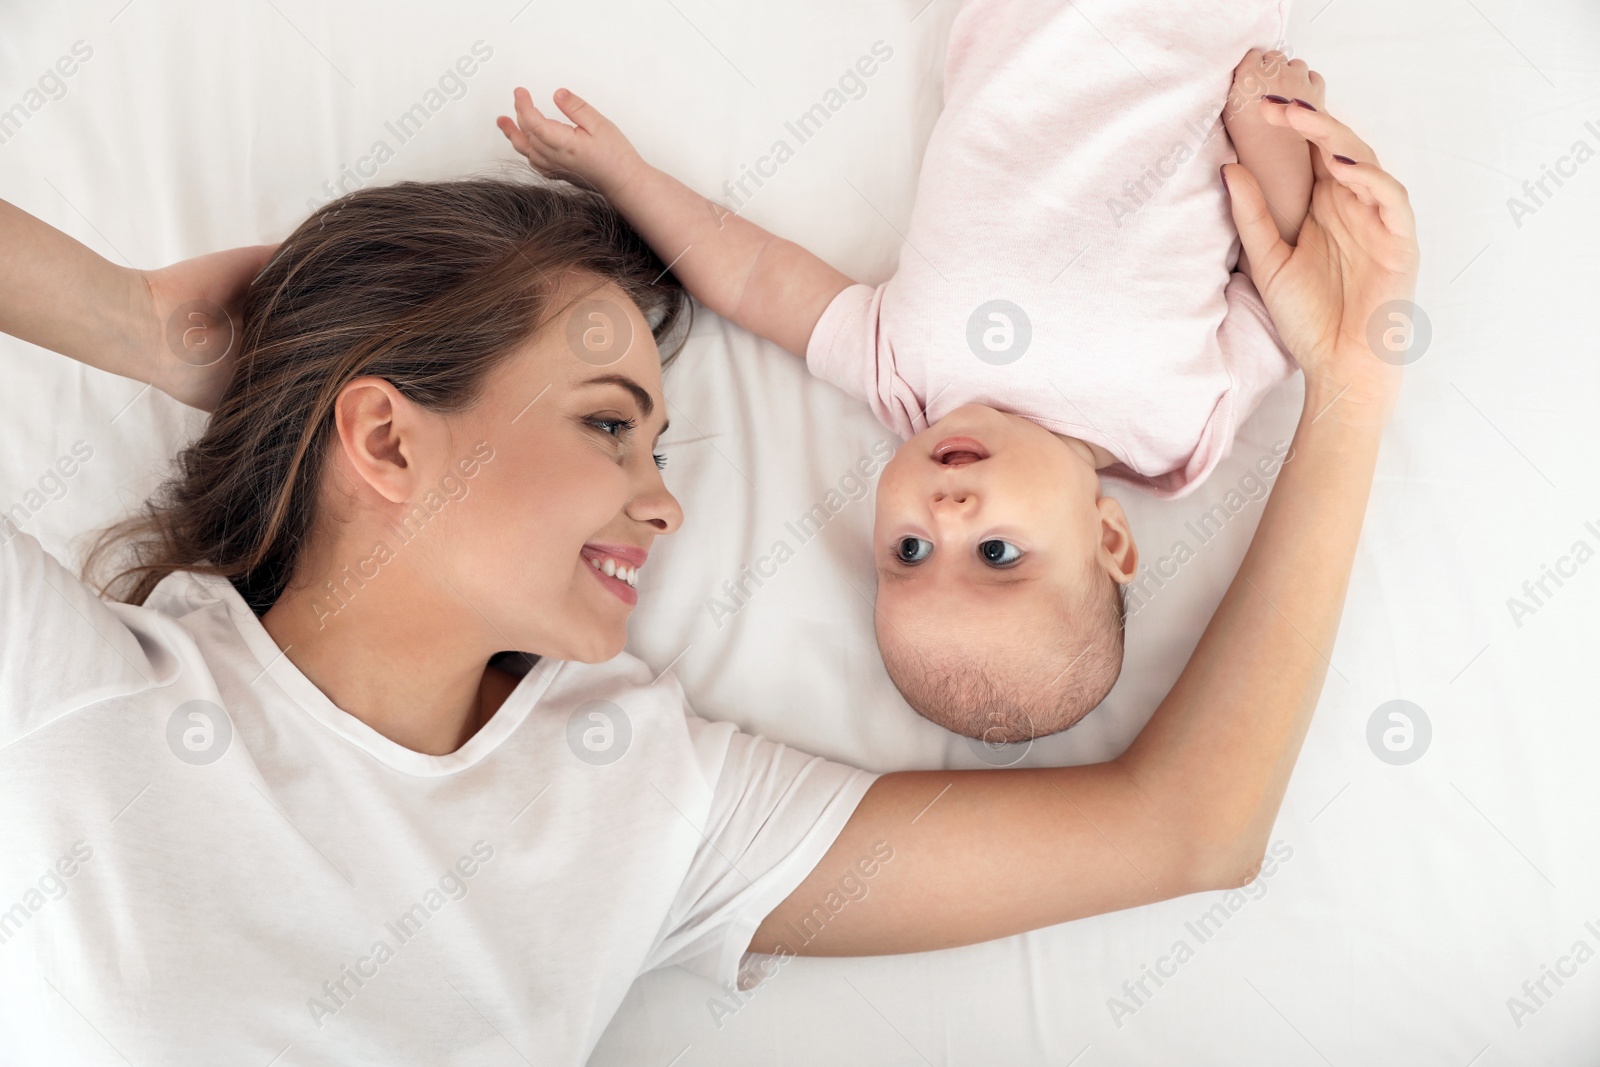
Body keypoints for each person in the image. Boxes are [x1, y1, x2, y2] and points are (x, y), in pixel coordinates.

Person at [0, 84, 1413, 1063]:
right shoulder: (69, 702)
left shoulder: (640, 792)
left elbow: (1185, 828)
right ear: (386, 434)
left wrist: (1350, 386)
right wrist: (128, 319)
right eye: (610, 421)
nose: (664, 499)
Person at [498, 3, 1331, 745]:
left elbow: (752, 279)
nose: (947, 512)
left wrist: (626, 180)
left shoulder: (903, 377)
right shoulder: (1179, 429)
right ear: (1109, 537)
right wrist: (1271, 141)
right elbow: (1285, 286)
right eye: (997, 552)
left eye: (910, 550)